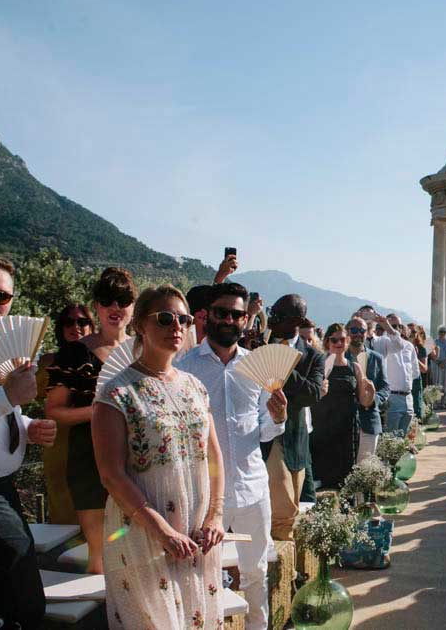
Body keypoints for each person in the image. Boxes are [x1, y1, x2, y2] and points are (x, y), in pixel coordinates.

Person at [93, 285, 225, 628]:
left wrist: (215, 516)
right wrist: (163, 531)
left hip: (197, 533)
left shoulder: (196, 387)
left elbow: (213, 456)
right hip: (143, 533)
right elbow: (111, 475)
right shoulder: (117, 392)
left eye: (183, 319)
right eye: (165, 318)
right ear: (139, 325)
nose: (177, 327)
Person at [175, 282, 287, 630]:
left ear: (245, 320)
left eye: (236, 314)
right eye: (221, 312)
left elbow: (263, 432)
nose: (229, 319)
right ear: (206, 316)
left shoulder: (255, 369)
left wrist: (279, 417)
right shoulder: (184, 367)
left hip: (253, 489)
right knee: (204, 575)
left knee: (256, 573)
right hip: (205, 495)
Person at [0, 254, 56, 629]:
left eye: (2, 297)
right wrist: (6, 398)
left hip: (2, 492)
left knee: (6, 605)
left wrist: (28, 425)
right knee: (8, 608)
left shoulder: (0, 350)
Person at [45, 266, 136, 574]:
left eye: (123, 300)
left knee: (138, 552)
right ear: (96, 305)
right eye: (107, 299)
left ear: (133, 306)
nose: (116, 307)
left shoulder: (145, 350)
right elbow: (54, 411)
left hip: (139, 463)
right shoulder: (75, 353)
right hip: (89, 460)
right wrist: (98, 411)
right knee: (99, 556)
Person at [264, 295, 325, 537]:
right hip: (263, 440)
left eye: (279, 315)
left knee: (292, 511)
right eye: (272, 312)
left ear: (296, 322)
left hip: (295, 438)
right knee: (282, 508)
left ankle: (286, 567)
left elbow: (311, 395)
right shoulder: (257, 348)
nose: (272, 319)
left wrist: (284, 365)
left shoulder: (313, 357)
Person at [39, 303, 95, 526]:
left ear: (92, 325)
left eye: (82, 322)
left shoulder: (102, 361)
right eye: (68, 322)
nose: (76, 327)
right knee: (63, 518)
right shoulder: (48, 363)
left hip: (95, 448)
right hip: (60, 447)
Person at [312, 324, 374, 488]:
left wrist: (371, 392)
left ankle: (346, 510)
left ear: (347, 341)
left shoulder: (355, 367)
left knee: (346, 472)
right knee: (324, 470)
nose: (338, 343)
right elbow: (312, 398)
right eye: (334, 340)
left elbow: (363, 401)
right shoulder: (320, 364)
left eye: (342, 339)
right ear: (327, 342)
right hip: (324, 425)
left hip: (347, 428)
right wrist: (321, 392)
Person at [361, 308, 417, 435]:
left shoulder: (393, 343)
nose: (396, 328)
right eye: (392, 325)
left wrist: (386, 325)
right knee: (386, 437)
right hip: (383, 396)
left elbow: (400, 346)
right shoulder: (376, 341)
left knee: (399, 438)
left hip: (398, 397)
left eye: (398, 326)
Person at [346, 316, 389, 460]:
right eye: (354, 330)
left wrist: (372, 400)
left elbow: (385, 387)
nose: (358, 333)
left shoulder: (377, 358)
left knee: (365, 469)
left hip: (369, 421)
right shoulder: (338, 357)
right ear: (347, 332)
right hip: (343, 422)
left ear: (367, 333)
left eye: (362, 330)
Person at [429, 326, 446, 404]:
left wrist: (445, 361)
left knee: (445, 385)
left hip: (445, 366)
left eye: (444, 332)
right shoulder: (434, 342)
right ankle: (435, 403)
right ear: (438, 332)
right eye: (441, 331)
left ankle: (442, 402)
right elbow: (430, 355)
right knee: (436, 384)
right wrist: (439, 362)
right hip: (436, 366)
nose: (442, 333)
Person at [409, 325, 429, 419]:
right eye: (409, 331)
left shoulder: (422, 349)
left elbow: (424, 369)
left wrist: (413, 358)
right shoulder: (399, 346)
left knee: (416, 406)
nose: (411, 334)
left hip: (415, 380)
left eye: (413, 332)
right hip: (402, 381)